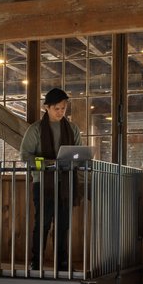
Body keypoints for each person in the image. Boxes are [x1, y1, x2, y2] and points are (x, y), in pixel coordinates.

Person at [18, 87, 83, 273]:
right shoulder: (36, 129)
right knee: (43, 223)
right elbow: (25, 156)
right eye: (57, 108)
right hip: (43, 183)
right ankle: (36, 260)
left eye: (64, 108)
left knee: (63, 225)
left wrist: (73, 162)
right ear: (46, 107)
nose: (61, 112)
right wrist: (46, 163)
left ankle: (62, 261)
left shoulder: (72, 129)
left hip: (65, 183)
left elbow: (79, 154)